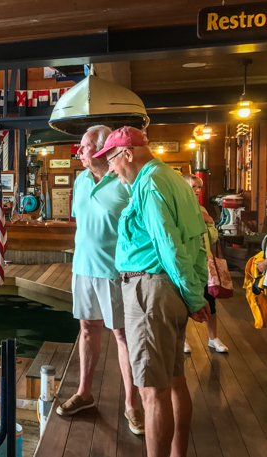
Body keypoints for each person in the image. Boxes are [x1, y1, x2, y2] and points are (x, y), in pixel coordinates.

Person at [95, 126, 210, 457]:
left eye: (113, 161)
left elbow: (169, 244)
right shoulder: (171, 177)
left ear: (127, 154)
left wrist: (194, 298)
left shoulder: (150, 182)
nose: (113, 170)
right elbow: (198, 241)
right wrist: (192, 292)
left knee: (152, 392)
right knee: (173, 381)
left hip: (150, 292)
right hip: (164, 291)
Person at [56, 125, 144, 435]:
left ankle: (132, 404)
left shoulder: (124, 181)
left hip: (115, 271)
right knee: (87, 328)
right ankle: (84, 393)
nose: (78, 152)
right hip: (82, 268)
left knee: (122, 335)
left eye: (84, 146)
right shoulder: (80, 181)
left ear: (103, 149)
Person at [181, 174, 228, 353]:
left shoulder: (203, 210)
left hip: (205, 262)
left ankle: (213, 338)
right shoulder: (179, 209)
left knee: (210, 300)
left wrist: (209, 223)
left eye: (198, 187)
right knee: (184, 301)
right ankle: (183, 339)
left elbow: (213, 238)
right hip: (187, 262)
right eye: (193, 186)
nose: (197, 190)